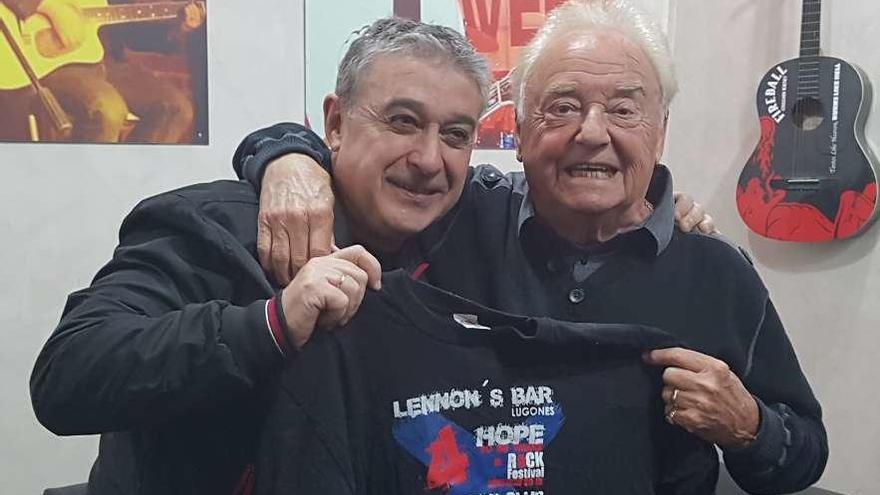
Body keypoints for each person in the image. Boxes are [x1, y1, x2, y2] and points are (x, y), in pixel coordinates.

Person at [30, 13, 712, 495]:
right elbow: (67, 377)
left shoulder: (473, 221)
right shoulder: (214, 225)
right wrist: (270, 322)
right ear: (333, 122)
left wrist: (653, 211)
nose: (428, 159)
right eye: (402, 121)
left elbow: (571, 188)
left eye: (455, 133)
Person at [233, 1, 827, 493]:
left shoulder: (716, 272)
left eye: (625, 109)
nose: (593, 132)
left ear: (661, 132)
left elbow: (806, 454)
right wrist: (290, 159)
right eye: (562, 107)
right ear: (517, 132)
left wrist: (749, 429)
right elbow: (371, 163)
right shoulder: (456, 219)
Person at [0, 0, 203, 142]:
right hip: (52, 63)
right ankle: (81, 191)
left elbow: (129, 28)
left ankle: (129, 184)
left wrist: (179, 27)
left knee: (175, 107)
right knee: (108, 110)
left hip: (106, 60)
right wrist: (48, 6)